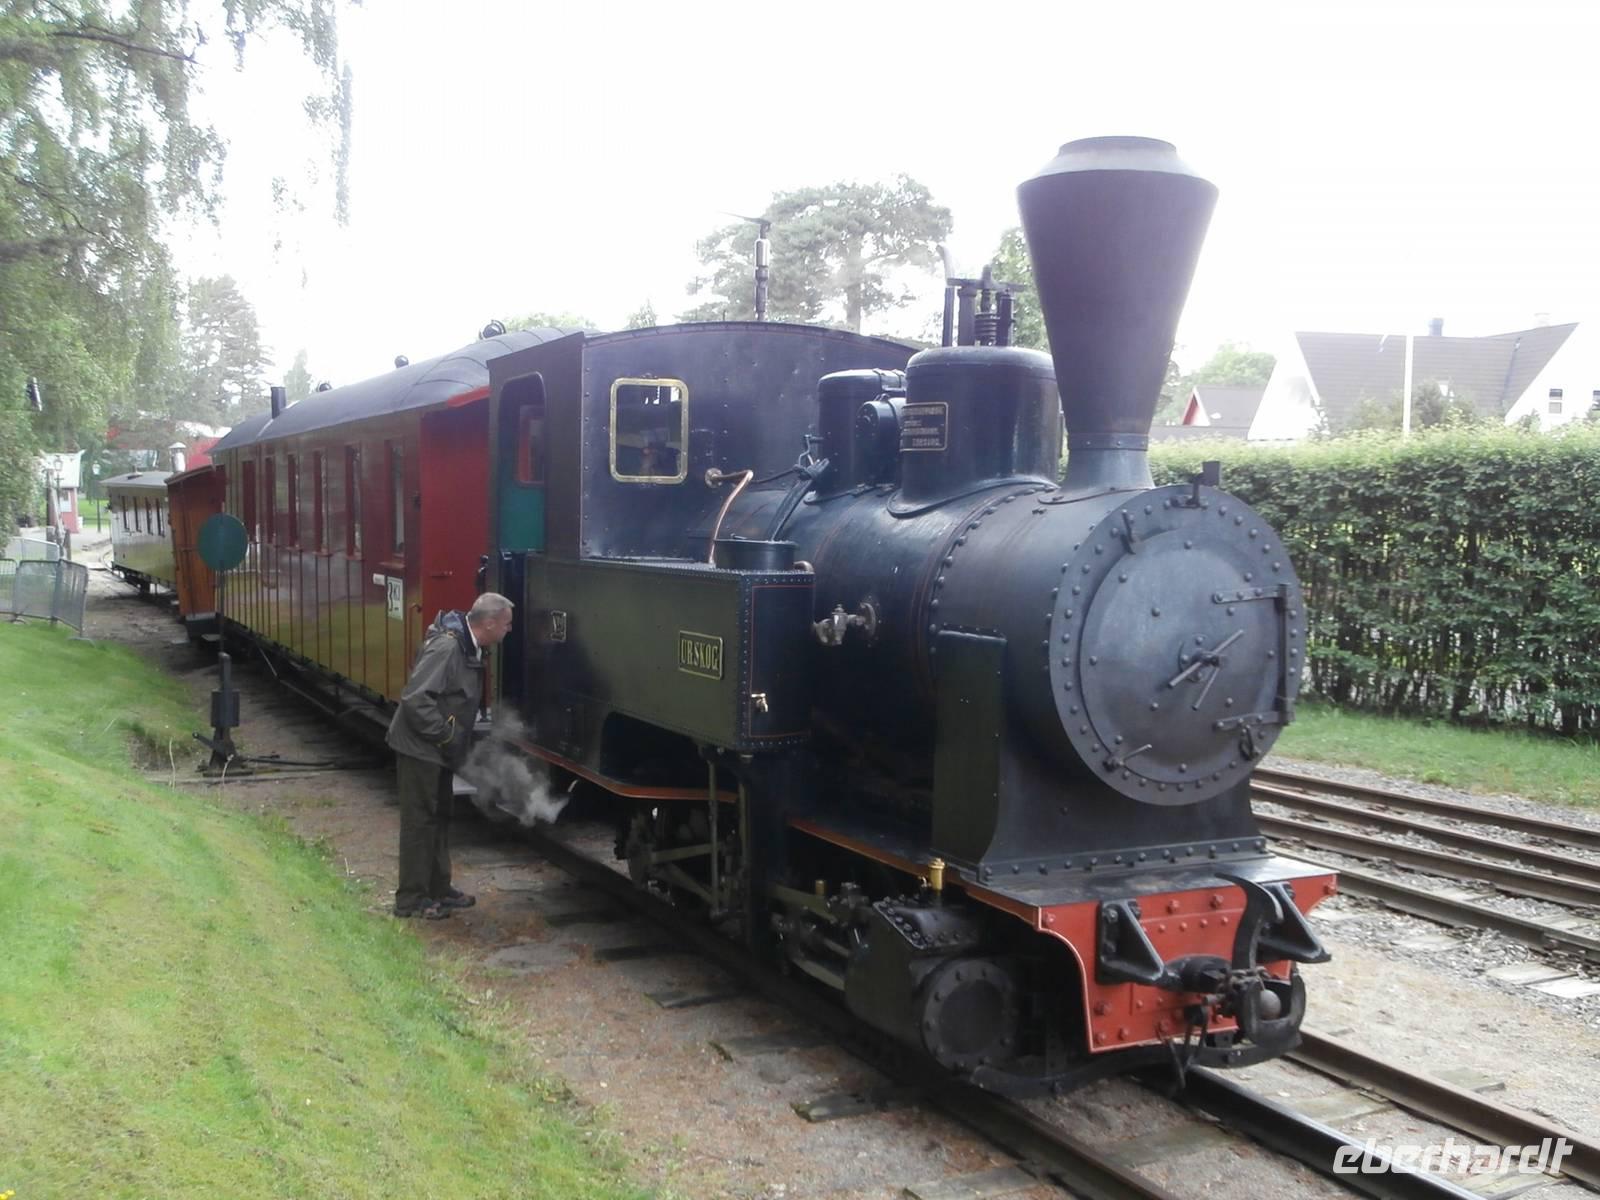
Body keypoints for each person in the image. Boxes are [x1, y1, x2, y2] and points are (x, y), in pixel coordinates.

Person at [386, 592, 515, 919]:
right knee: (420, 822)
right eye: (506, 624)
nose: (509, 630)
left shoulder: (469, 645)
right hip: (421, 748)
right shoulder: (447, 647)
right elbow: (416, 699)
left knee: (440, 818)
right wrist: (446, 735)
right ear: (488, 623)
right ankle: (411, 900)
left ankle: (439, 889)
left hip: (437, 750)